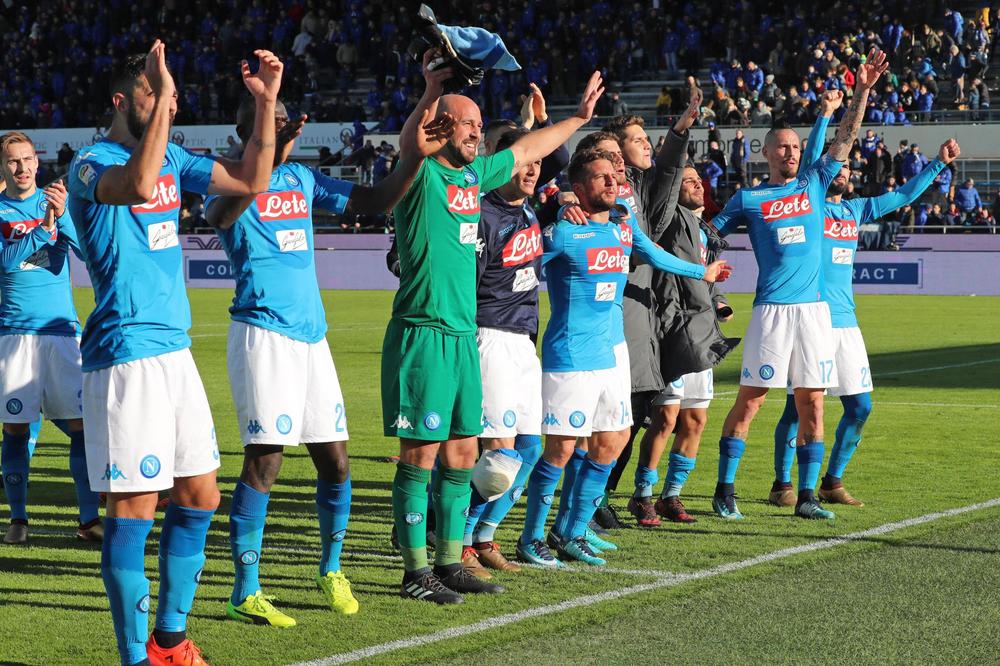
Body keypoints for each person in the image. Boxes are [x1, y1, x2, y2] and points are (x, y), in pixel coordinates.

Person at [204, 54, 456, 627]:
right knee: (266, 461)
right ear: (245, 132)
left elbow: (376, 201)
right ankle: (245, 589)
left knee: (337, 463)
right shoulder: (227, 177)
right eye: (268, 120)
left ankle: (331, 570)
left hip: (312, 339)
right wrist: (269, 155)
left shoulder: (302, 180)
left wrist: (416, 154)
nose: (281, 127)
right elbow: (219, 215)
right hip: (263, 334)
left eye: (283, 120)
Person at [67, 42, 282, 666]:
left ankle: (168, 641)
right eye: (153, 94)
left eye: (172, 96)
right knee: (133, 509)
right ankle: (135, 657)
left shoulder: (174, 159)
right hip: (126, 354)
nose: (169, 103)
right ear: (122, 101)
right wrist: (163, 96)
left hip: (175, 352)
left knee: (200, 495)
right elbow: (137, 185)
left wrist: (265, 105)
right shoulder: (91, 163)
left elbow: (252, 180)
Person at [382, 70, 605, 604]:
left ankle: (448, 561)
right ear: (440, 127)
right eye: (467, 124)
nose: (476, 133)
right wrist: (430, 91)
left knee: (463, 454)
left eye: (480, 126)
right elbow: (411, 145)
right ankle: (414, 571)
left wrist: (577, 119)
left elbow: (528, 148)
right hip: (424, 332)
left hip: (463, 336)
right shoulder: (419, 174)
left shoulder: (473, 179)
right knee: (420, 457)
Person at [520, 147, 728, 565]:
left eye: (614, 177)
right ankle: (531, 538)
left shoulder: (622, 226)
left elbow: (654, 253)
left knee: (612, 441)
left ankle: (572, 531)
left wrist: (701, 273)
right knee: (560, 450)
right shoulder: (563, 233)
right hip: (572, 356)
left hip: (613, 354)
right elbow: (519, 260)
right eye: (601, 177)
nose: (613, 182)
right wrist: (555, 206)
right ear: (579, 188)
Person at [708, 49, 889, 522]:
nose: (790, 152)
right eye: (782, 147)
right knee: (752, 401)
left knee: (814, 405)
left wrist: (861, 92)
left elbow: (846, 138)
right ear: (766, 152)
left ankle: (807, 496)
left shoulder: (813, 184)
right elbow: (705, 235)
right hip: (771, 310)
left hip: (814, 313)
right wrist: (704, 276)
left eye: (795, 146)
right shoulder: (748, 199)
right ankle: (724, 489)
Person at [771, 114, 961, 507]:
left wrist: (938, 164)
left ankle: (832, 482)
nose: (842, 172)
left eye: (847, 169)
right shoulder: (808, 206)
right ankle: (782, 485)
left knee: (860, 407)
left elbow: (903, 196)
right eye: (837, 167)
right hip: (810, 319)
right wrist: (825, 116)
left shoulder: (856, 210)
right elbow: (810, 162)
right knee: (797, 409)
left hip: (847, 325)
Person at [462, 85, 571, 578]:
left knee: (528, 449)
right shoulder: (482, 213)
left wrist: (538, 124)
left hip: (524, 341)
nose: (533, 171)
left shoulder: (525, 205)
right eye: (524, 162)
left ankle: (484, 535)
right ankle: (456, 537)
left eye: (535, 164)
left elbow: (561, 162)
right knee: (497, 458)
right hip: (491, 338)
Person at [0, 132, 101, 545]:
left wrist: (63, 217)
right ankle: (18, 519)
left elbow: (86, 253)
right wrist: (44, 229)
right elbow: (6, 262)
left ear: (37, 163)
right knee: (15, 429)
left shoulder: (55, 202)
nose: (22, 167)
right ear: (3, 167)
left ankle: (89, 521)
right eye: (13, 161)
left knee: (81, 427)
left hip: (61, 332)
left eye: (27, 159)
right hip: (15, 335)